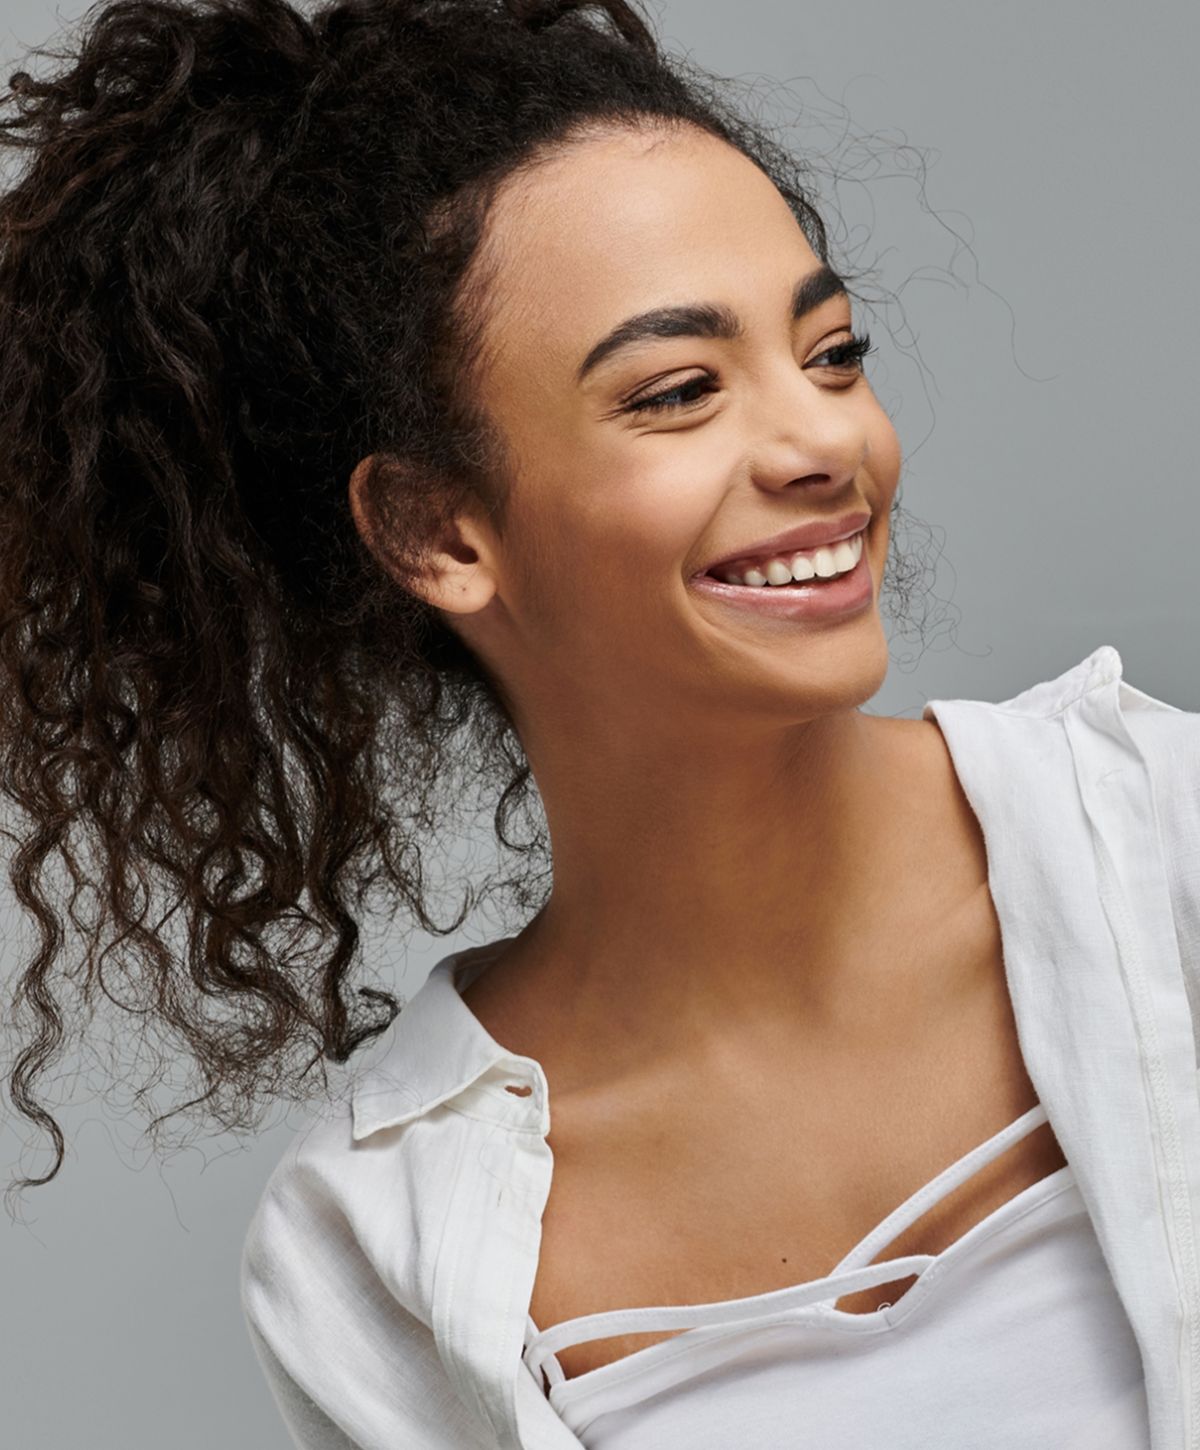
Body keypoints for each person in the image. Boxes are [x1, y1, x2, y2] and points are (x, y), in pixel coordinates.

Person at [1, 1, 1196, 1447]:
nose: (828, 440)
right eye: (681, 391)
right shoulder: (377, 1241)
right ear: (438, 531)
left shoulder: (1163, 848)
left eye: (832, 351)